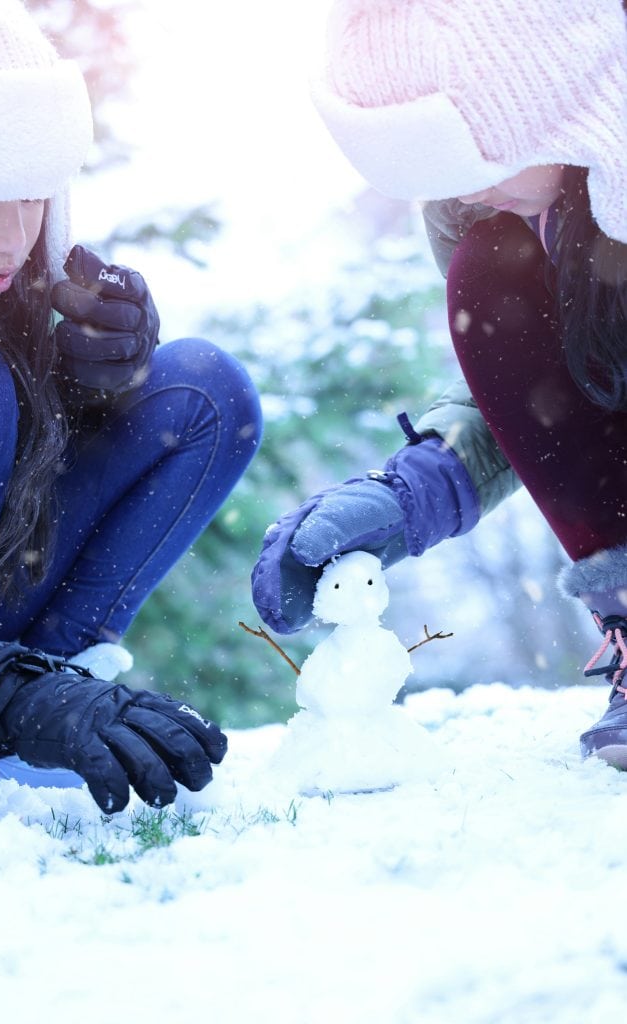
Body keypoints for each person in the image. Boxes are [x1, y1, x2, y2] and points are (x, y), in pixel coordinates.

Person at [251, 0, 627, 767]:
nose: (463, 195)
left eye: (472, 159)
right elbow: (551, 406)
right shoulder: (500, 208)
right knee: (490, 270)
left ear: (552, 96)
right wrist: (418, 489)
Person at [0, 0, 262, 819]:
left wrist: (93, 379)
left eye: (34, 198)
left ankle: (49, 711)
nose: (13, 240)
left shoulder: (2, 295)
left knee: (201, 390)